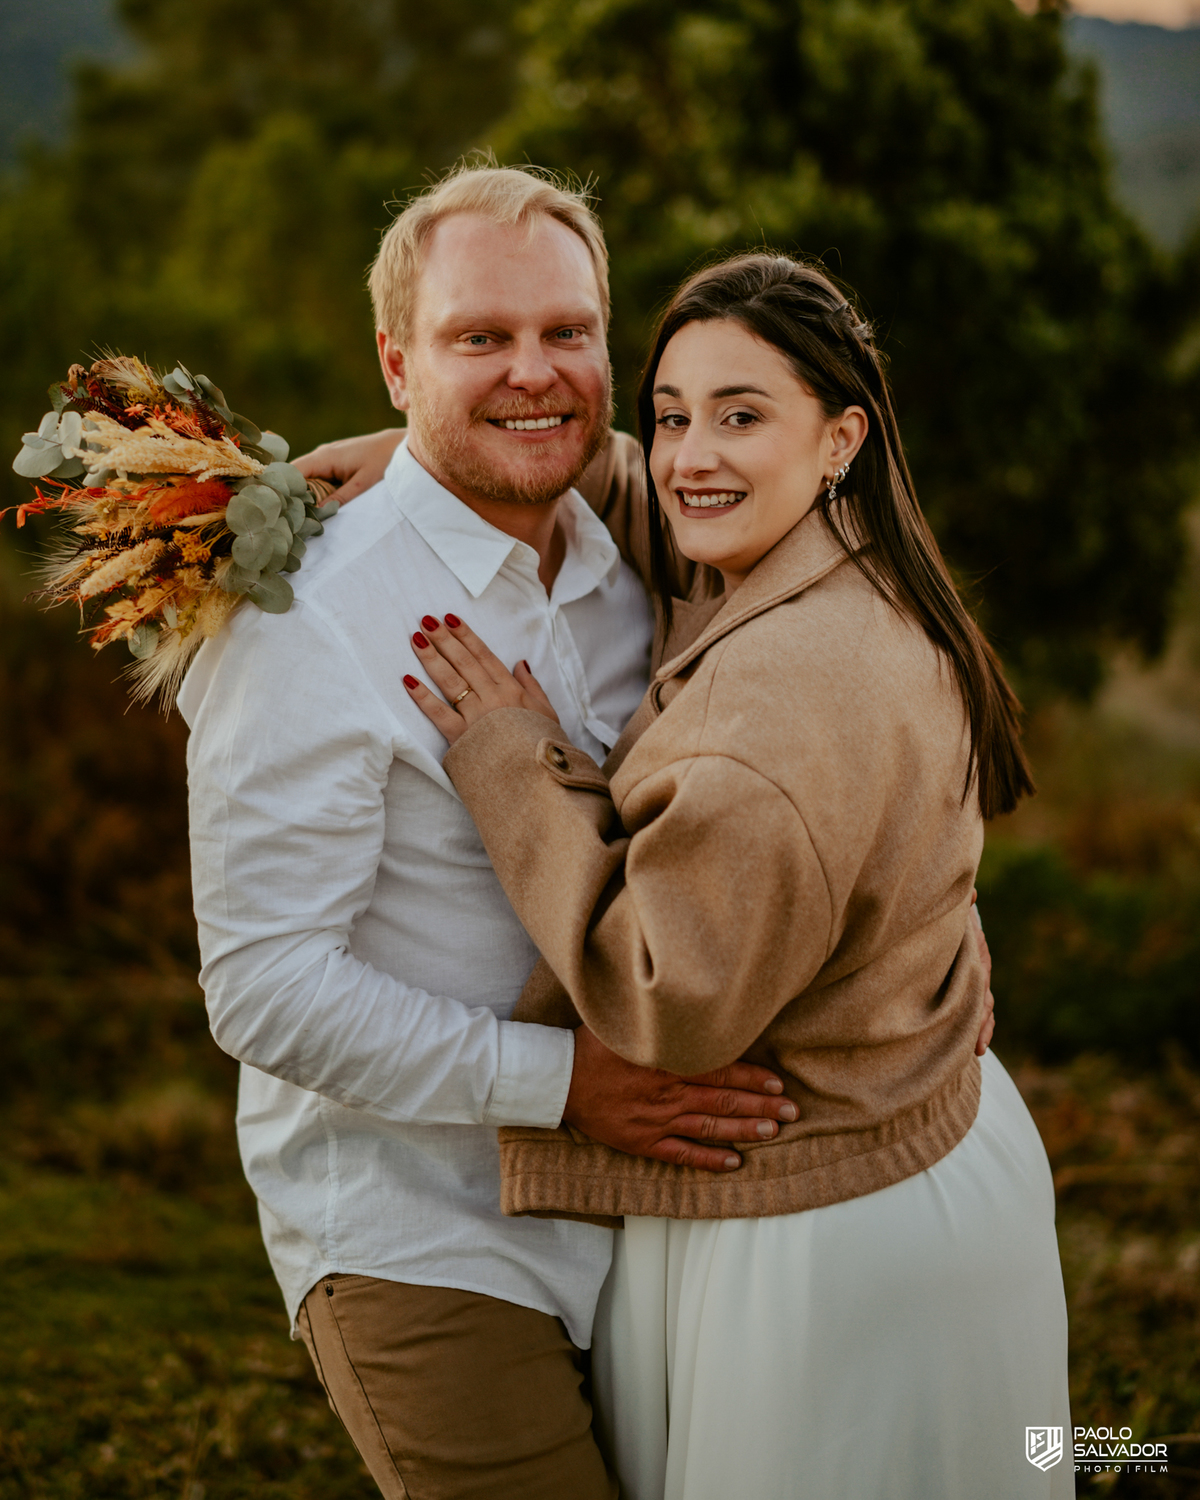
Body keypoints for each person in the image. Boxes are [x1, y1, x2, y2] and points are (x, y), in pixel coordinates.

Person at [399, 253, 1073, 1499]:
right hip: (946, 1162)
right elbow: (666, 502)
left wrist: (512, 761)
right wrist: (424, 460)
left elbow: (665, 998)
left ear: (841, 438)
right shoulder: (857, 568)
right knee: (1009, 1460)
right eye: (669, 416)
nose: (689, 454)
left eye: (741, 415)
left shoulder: (778, 697)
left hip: (814, 1253)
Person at [181, 165, 805, 1500]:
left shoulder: (649, 562)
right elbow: (263, 986)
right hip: (425, 1230)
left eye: (567, 333)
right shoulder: (303, 621)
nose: (536, 372)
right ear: (397, 360)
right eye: (482, 338)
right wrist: (568, 1088)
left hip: (654, 1214)